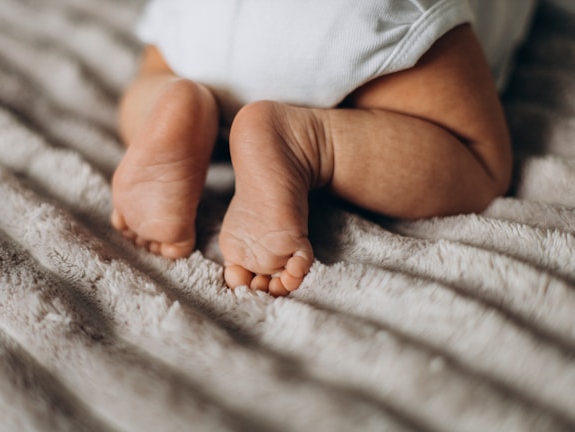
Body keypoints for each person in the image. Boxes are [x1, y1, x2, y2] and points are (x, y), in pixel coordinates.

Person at [111, 0, 537, 296]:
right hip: (358, 18)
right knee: (476, 158)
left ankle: (171, 103)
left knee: (160, 69)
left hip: (206, 18)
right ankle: (308, 143)